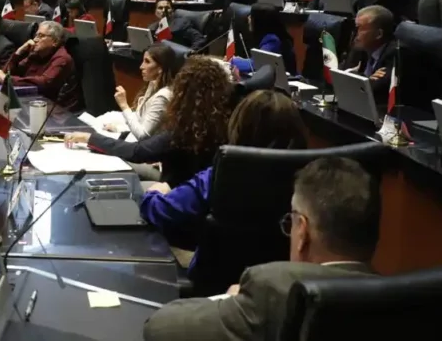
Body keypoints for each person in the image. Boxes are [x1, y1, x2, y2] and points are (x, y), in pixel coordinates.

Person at [143, 157, 378, 341]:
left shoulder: (273, 288)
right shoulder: (403, 299)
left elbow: (159, 326)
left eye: (291, 220)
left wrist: (230, 304)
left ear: (302, 233)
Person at [139, 90, 308, 276]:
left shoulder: (220, 175)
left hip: (214, 286)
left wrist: (153, 194)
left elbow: (160, 211)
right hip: (283, 287)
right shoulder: (311, 183)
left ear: (239, 127)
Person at [65, 56, 232, 187]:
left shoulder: (185, 126)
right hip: (200, 188)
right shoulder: (226, 120)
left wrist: (91, 138)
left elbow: (137, 152)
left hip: (175, 190)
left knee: (115, 181)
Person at [0, 20, 80, 110]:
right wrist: (18, 53)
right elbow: (5, 73)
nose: (35, 40)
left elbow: (44, 82)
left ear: (55, 41)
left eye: (41, 36)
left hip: (54, 111)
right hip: (30, 101)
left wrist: (8, 79)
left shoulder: (62, 58)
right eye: (36, 35)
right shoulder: (36, 54)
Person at [106, 43, 179, 141]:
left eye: (147, 62)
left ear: (160, 69)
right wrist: (118, 128)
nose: (141, 67)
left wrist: (124, 105)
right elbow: (139, 118)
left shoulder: (163, 96)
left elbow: (142, 135)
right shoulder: (153, 84)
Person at [342, 5, 397, 106]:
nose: (355, 34)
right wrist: (365, 79)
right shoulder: (361, 48)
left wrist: (358, 78)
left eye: (359, 29)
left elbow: (376, 90)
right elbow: (342, 76)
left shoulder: (393, 54)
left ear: (378, 34)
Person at [230, 4, 297, 76]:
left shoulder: (272, 40)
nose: (248, 18)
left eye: (251, 16)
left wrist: (232, 60)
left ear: (260, 21)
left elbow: (255, 65)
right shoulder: (268, 37)